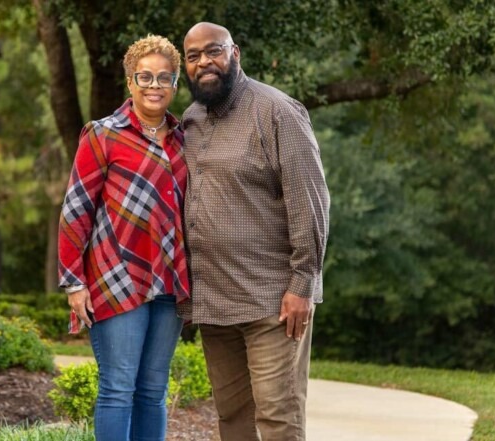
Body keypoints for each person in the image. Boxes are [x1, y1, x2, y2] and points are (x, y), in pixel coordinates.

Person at [180, 22, 330, 441]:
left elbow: (311, 202)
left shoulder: (278, 111)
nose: (205, 62)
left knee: (279, 418)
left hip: (273, 302)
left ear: (236, 53)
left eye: (214, 51)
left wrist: (302, 284)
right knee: (232, 418)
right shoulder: (190, 120)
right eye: (193, 56)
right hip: (214, 301)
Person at [57, 35, 189, 441]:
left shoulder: (186, 139)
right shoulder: (102, 135)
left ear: (175, 83)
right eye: (144, 76)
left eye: (163, 77)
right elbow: (76, 210)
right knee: (118, 389)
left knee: (153, 391)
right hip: (115, 279)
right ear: (129, 82)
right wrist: (74, 282)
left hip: (169, 281)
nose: (154, 85)